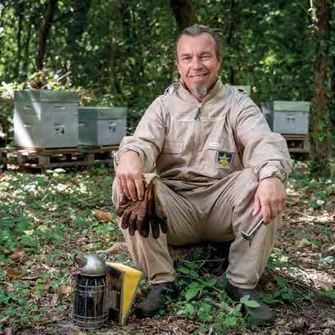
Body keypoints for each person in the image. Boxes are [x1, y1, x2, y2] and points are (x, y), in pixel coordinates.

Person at [112, 24, 292, 324]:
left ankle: (242, 284)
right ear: (178, 64)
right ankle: (160, 281)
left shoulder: (237, 104)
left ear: (218, 60)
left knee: (259, 176)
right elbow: (142, 141)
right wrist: (130, 156)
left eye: (205, 56)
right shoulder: (163, 106)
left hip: (223, 206)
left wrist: (272, 175)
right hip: (175, 210)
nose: (196, 65)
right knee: (128, 183)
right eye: (187, 58)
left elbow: (262, 141)